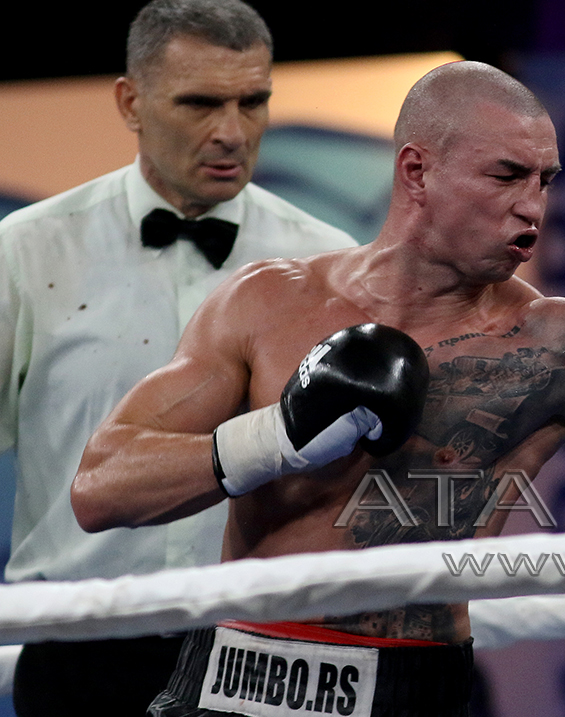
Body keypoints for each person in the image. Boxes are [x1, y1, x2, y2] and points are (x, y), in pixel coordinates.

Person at [71, 59, 565, 716]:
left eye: (545, 180)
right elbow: (99, 489)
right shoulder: (267, 302)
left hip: (406, 684)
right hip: (233, 673)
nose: (533, 206)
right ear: (417, 171)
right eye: (506, 176)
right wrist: (275, 437)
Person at [0, 0, 357, 712]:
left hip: (265, 645)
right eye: (199, 103)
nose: (232, 132)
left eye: (253, 102)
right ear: (130, 103)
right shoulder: (28, 251)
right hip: (78, 643)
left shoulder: (331, 264)